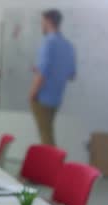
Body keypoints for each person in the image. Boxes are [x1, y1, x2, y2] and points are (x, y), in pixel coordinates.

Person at [29, 9, 76, 146]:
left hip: (42, 98)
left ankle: (53, 166)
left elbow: (42, 74)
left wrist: (32, 94)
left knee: (46, 136)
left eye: (42, 22)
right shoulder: (68, 46)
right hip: (56, 98)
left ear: (48, 21)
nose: (41, 25)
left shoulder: (48, 43)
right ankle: (51, 164)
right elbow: (71, 75)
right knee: (48, 133)